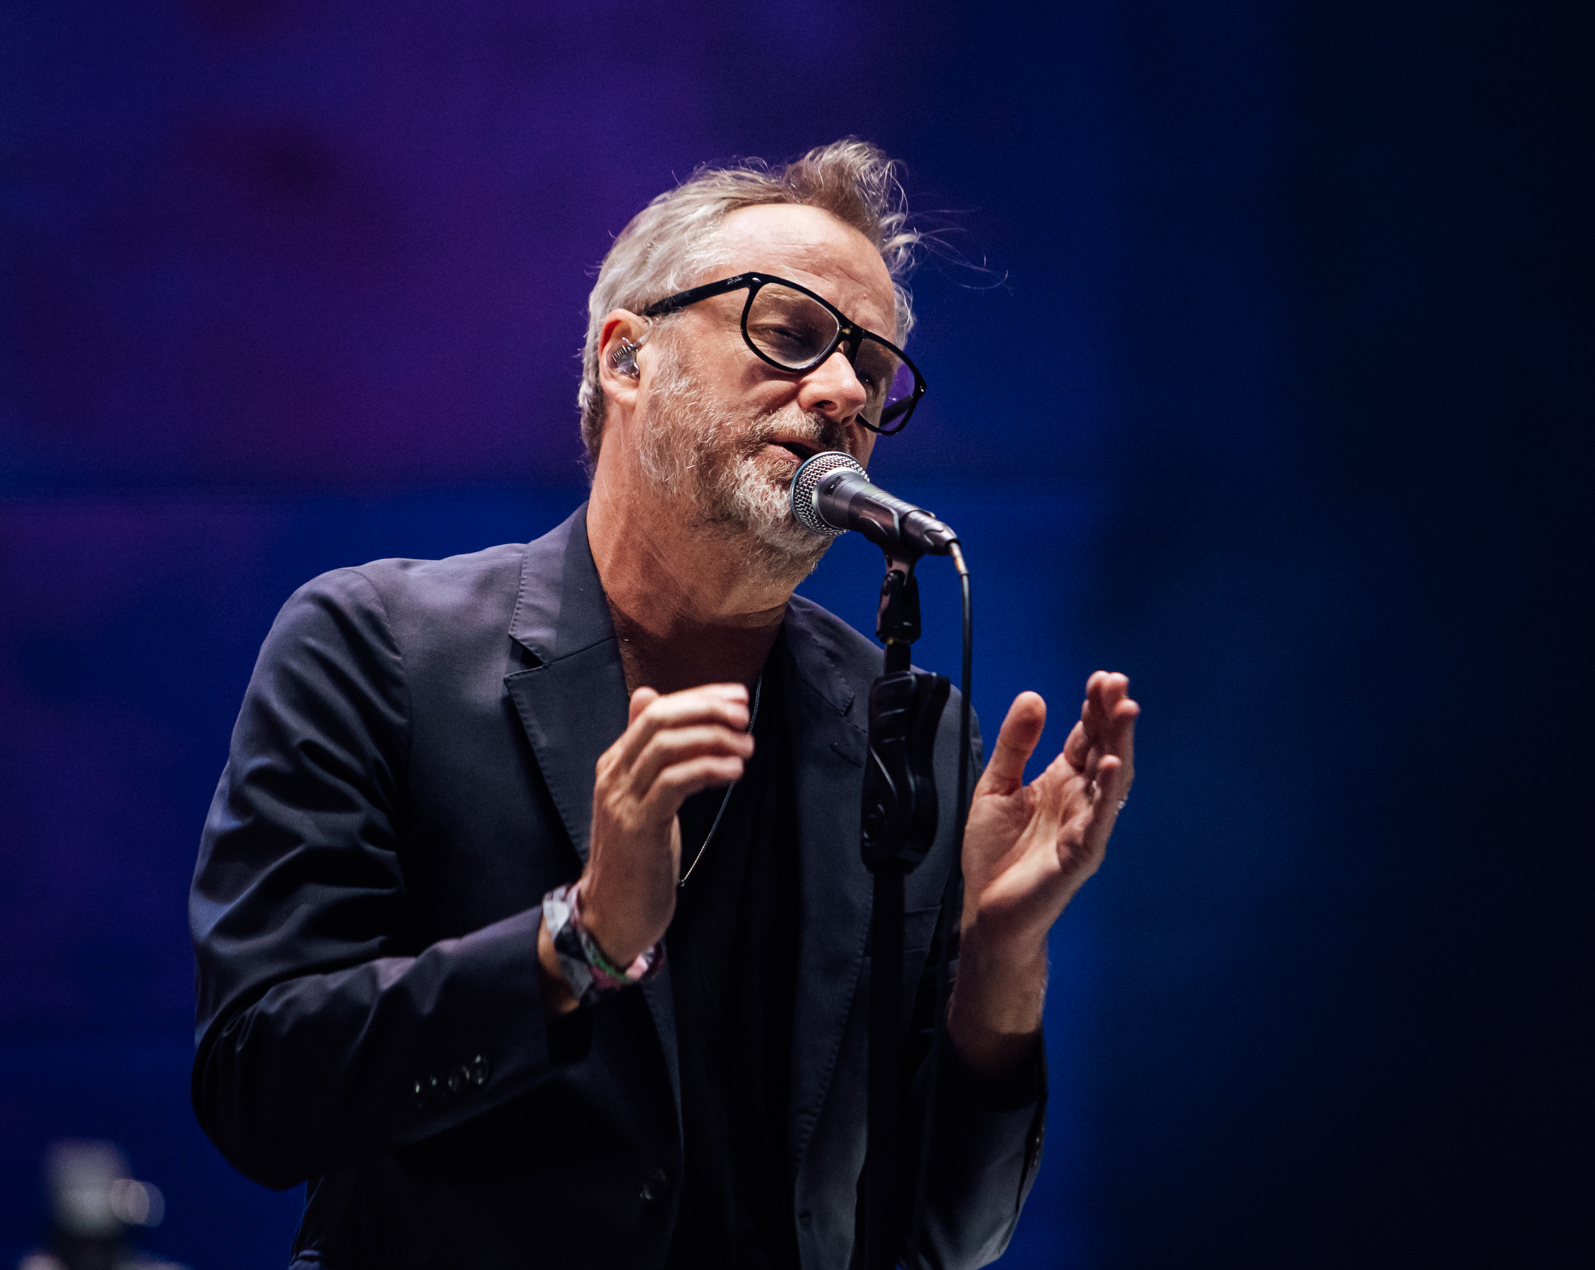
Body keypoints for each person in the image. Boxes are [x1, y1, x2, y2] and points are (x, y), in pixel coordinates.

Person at [189, 139, 1139, 1270]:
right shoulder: (376, 646)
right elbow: (259, 1089)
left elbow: (942, 1234)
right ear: (627, 357)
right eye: (789, 335)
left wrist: (999, 962)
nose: (842, 392)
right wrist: (574, 944)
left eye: (873, 372)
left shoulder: (911, 736)